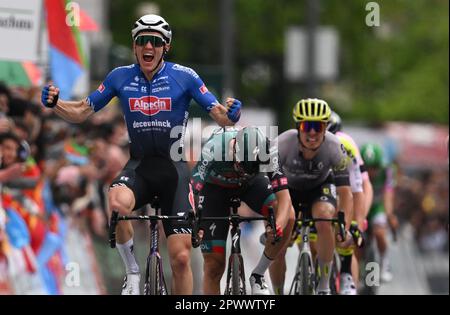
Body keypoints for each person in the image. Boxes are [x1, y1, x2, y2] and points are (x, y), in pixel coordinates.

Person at [41, 14, 243, 295]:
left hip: (174, 171)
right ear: (135, 46)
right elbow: (82, 110)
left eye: (155, 42)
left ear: (165, 47)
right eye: (142, 41)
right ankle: (133, 272)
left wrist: (232, 113)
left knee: (182, 259)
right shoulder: (119, 77)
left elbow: (220, 115)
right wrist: (56, 103)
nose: (149, 46)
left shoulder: (184, 76)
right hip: (140, 168)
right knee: (117, 204)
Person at [190, 126, 295, 295]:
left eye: (251, 167)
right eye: (241, 166)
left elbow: (285, 197)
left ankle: (259, 275)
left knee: (288, 217)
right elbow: (193, 187)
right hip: (214, 189)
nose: (243, 172)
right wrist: (196, 221)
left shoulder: (269, 149)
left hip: (250, 185)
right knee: (213, 266)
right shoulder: (215, 148)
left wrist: (278, 227)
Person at [269, 98, 353, 295]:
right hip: (287, 190)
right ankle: (278, 292)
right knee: (278, 244)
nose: (313, 132)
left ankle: (324, 285)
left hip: (320, 187)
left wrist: (344, 227)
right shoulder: (282, 144)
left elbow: (345, 193)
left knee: (325, 219)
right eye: (308, 126)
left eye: (318, 126)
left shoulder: (335, 146)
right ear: (298, 127)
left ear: (325, 128)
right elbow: (266, 186)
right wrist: (272, 223)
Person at [326, 111, 372, 294]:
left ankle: (360, 280)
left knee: (351, 238)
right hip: (331, 190)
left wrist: (359, 222)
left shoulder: (345, 144)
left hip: (357, 191)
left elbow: (359, 188)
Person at [360, 143, 398, 283]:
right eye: (367, 168)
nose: (371, 172)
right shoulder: (355, 168)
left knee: (380, 233)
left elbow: (388, 194)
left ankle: (384, 263)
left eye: (374, 167)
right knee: (357, 242)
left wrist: (389, 215)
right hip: (362, 205)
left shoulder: (387, 170)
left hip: (378, 206)